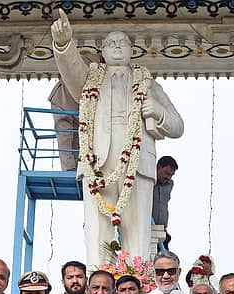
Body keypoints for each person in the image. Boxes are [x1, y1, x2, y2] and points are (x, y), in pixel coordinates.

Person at [51, 11, 184, 264]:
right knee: (97, 238)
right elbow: (70, 69)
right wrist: (64, 44)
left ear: (132, 50)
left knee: (138, 237)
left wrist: (157, 111)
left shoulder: (149, 84)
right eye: (111, 43)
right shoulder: (89, 79)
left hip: (138, 167)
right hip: (97, 166)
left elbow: (177, 126)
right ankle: (98, 287)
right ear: (102, 50)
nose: (117, 47)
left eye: (122, 43)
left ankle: (138, 290)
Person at [48, 51, 103, 171]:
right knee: (66, 136)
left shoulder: (91, 63)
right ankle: (69, 169)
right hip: (62, 102)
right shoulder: (91, 64)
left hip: (72, 105)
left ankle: (74, 168)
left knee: (75, 138)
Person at [152, 156, 178, 248]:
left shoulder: (170, 184)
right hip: (147, 229)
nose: (168, 177)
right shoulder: (148, 181)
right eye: (166, 173)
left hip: (162, 232)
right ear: (158, 167)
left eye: (171, 175)